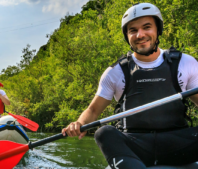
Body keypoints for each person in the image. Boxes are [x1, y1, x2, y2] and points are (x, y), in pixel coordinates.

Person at [61, 3, 198, 168]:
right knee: (103, 132)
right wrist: (78, 123)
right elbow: (93, 110)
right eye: (133, 30)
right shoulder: (115, 72)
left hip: (177, 144)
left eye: (147, 27)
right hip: (134, 146)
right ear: (127, 36)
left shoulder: (185, 63)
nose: (140, 34)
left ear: (158, 29)